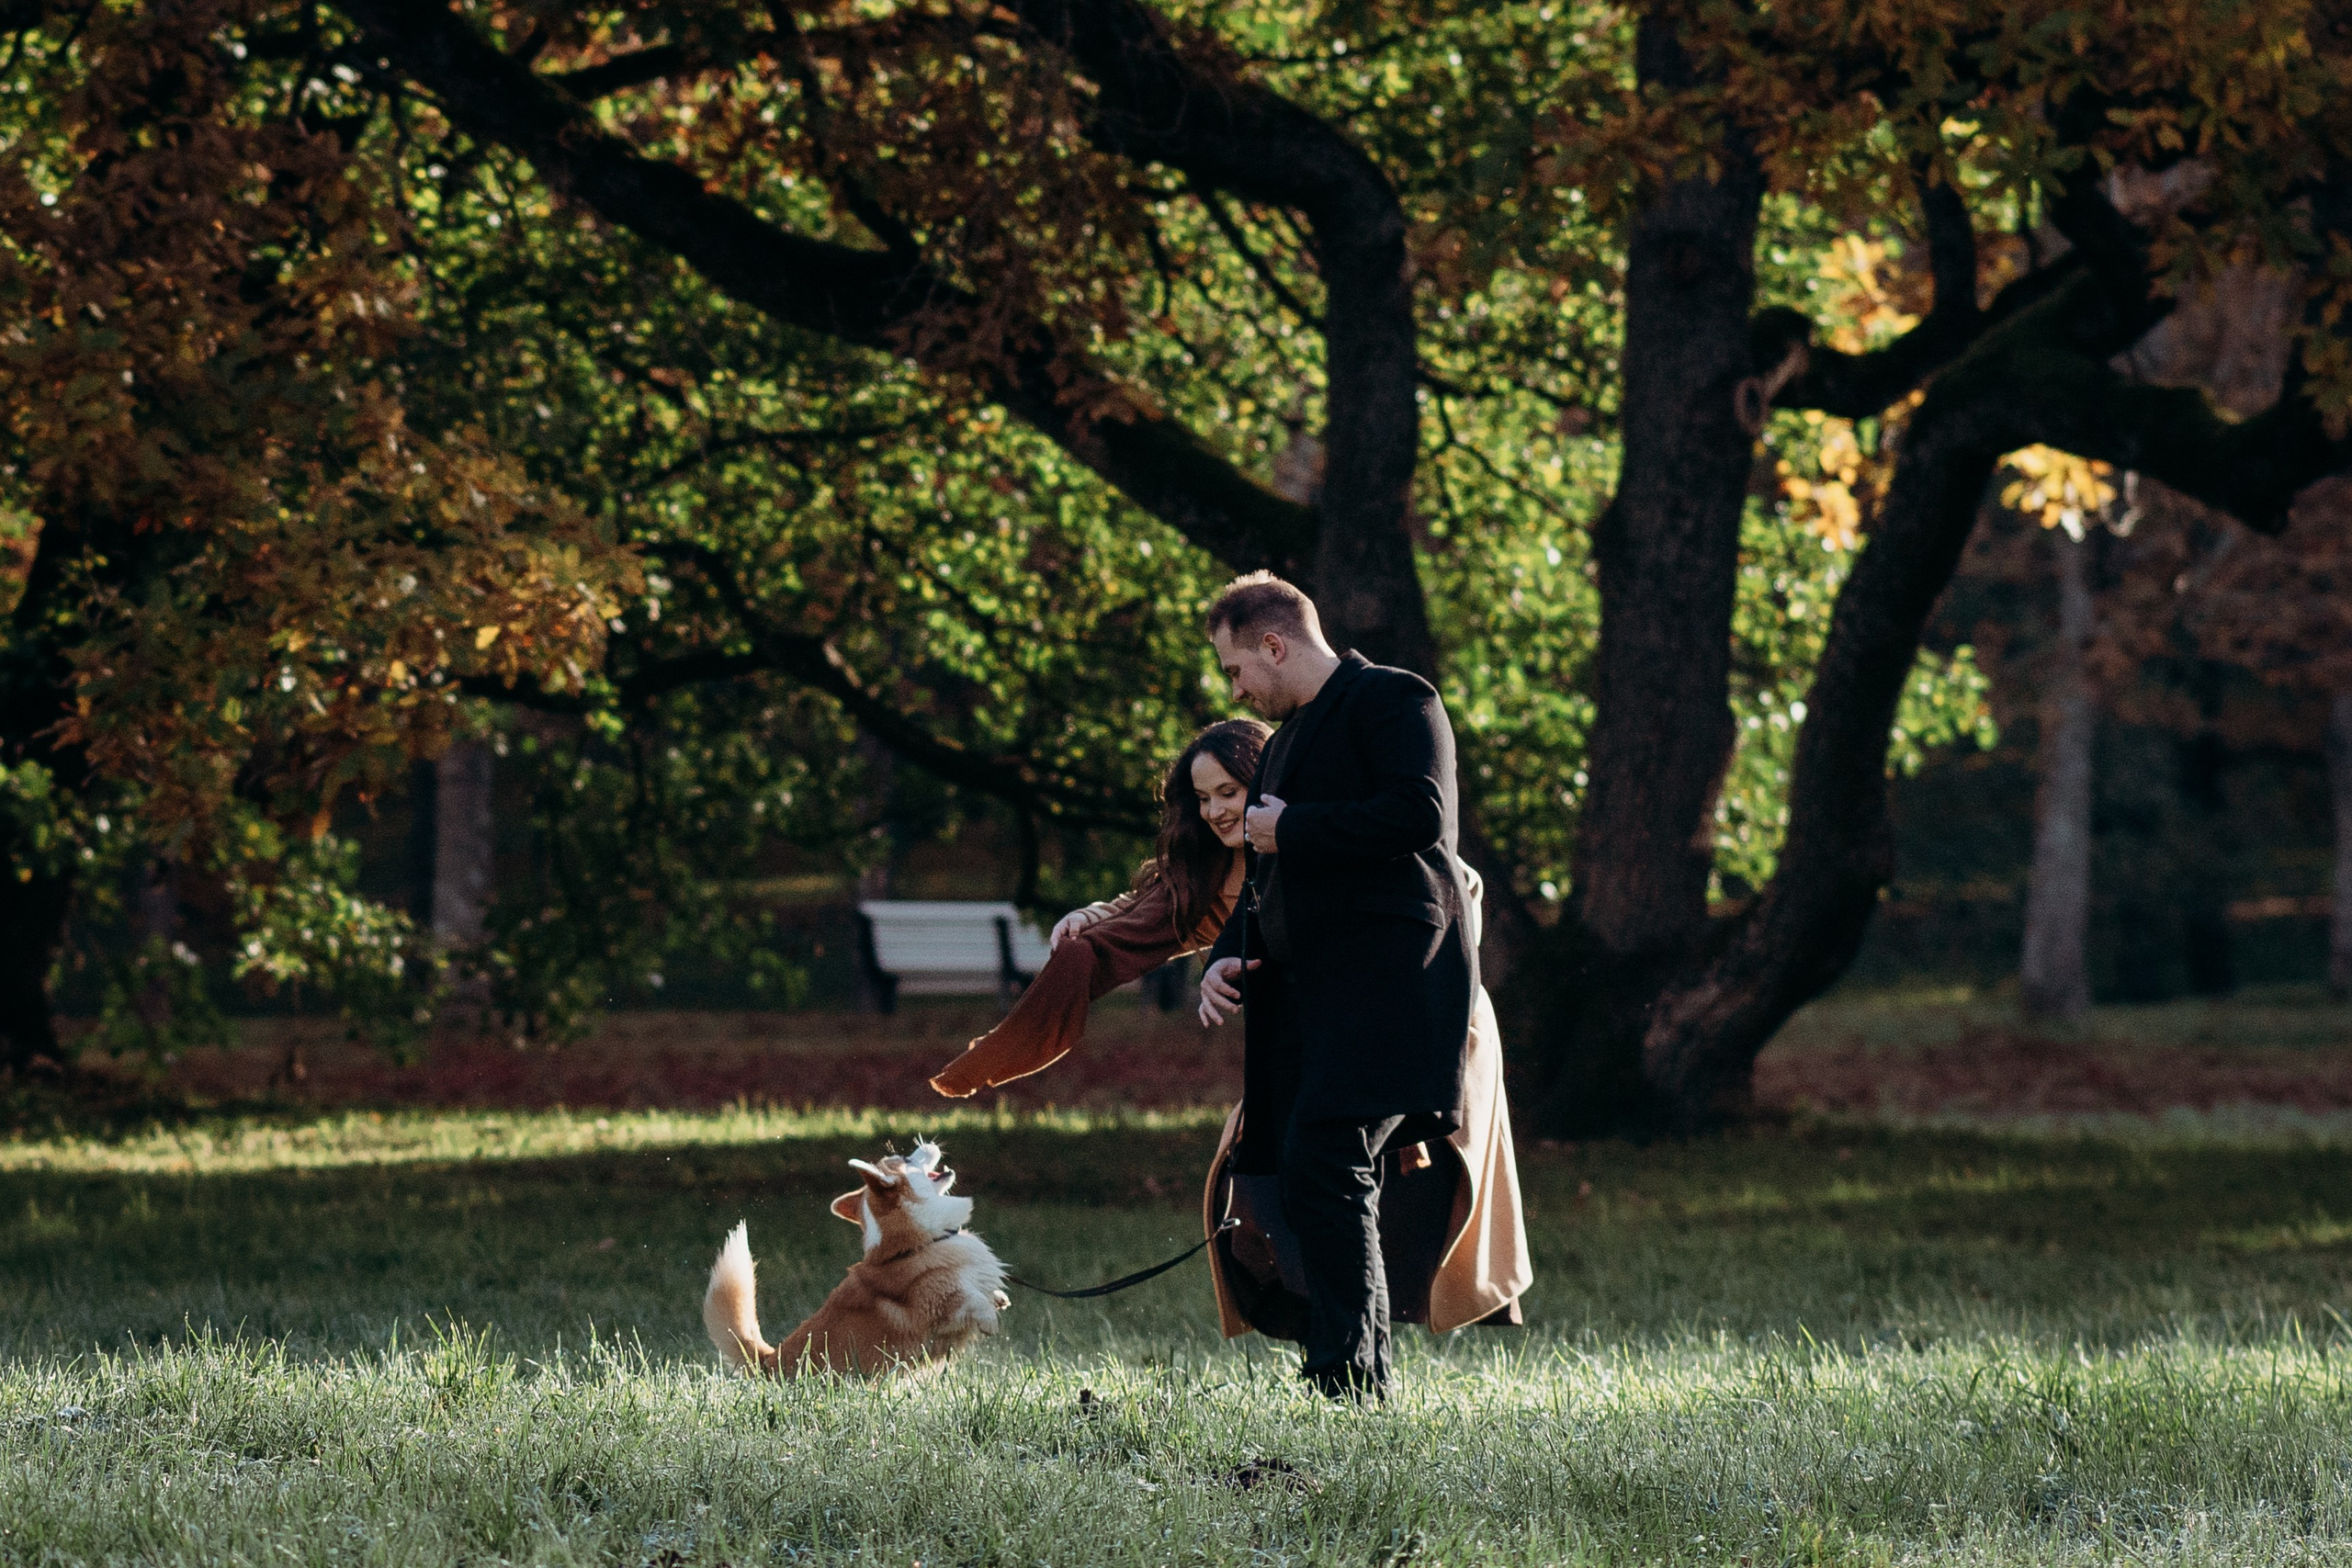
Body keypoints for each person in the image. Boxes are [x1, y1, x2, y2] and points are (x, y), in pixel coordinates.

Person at [1196, 570, 1480, 1402]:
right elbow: (1271, 882)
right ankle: (1345, 1370)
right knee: (1314, 1167)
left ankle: (1351, 1380)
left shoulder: (1398, 699)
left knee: (1326, 1159)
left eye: (1236, 668)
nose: (1236, 687)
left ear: (1274, 645)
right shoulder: (1285, 744)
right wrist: (1225, 952)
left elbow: (1421, 813)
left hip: (1392, 985)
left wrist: (1293, 826)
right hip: (1315, 1005)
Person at [927, 719, 1269, 1100]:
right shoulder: (1206, 871)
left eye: (1228, 792)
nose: (1214, 811)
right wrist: (1089, 919)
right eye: (1204, 799)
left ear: (1262, 782)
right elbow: (1145, 911)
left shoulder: (1295, 855)